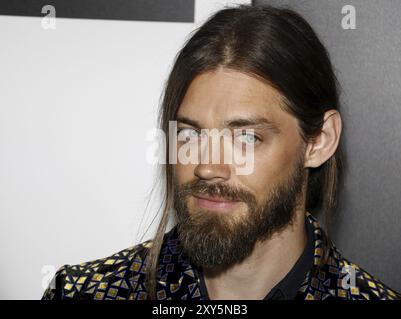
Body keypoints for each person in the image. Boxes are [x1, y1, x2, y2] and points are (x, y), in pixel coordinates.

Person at [42, 4, 401, 300]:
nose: (207, 167)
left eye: (246, 137)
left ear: (319, 141)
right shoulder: (84, 293)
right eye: (189, 134)